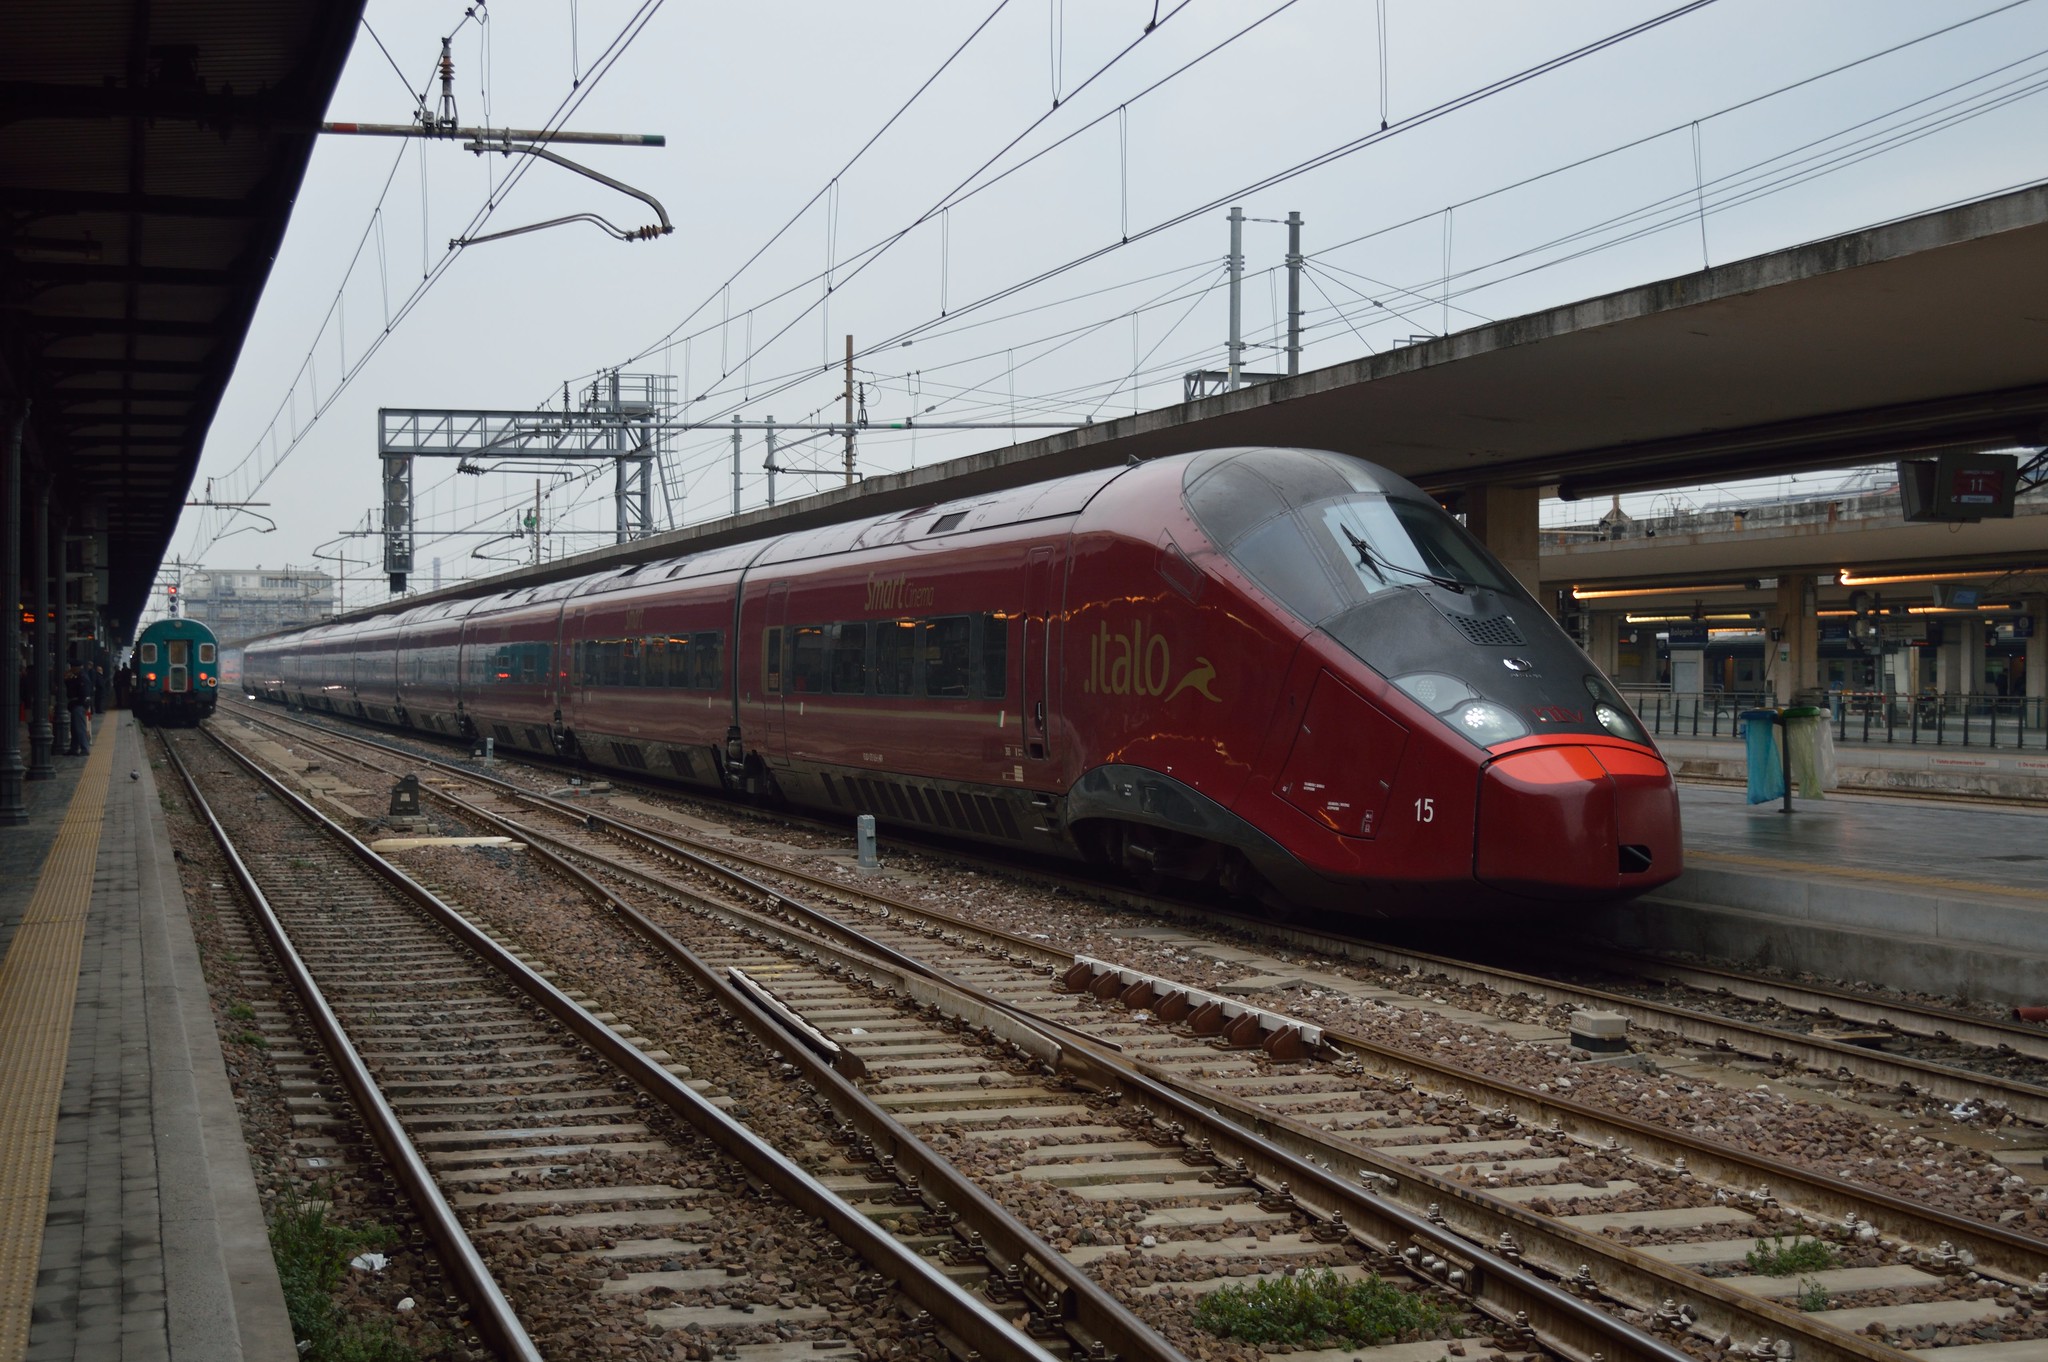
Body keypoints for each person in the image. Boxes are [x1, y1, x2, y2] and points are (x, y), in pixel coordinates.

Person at [63, 666, 90, 756]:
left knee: (79, 727)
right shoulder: (78, 677)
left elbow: (80, 692)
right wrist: (67, 680)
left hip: (78, 705)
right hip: (77, 705)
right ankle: (74, 748)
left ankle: (84, 748)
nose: (70, 669)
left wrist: (79, 703)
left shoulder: (81, 678)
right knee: (75, 728)